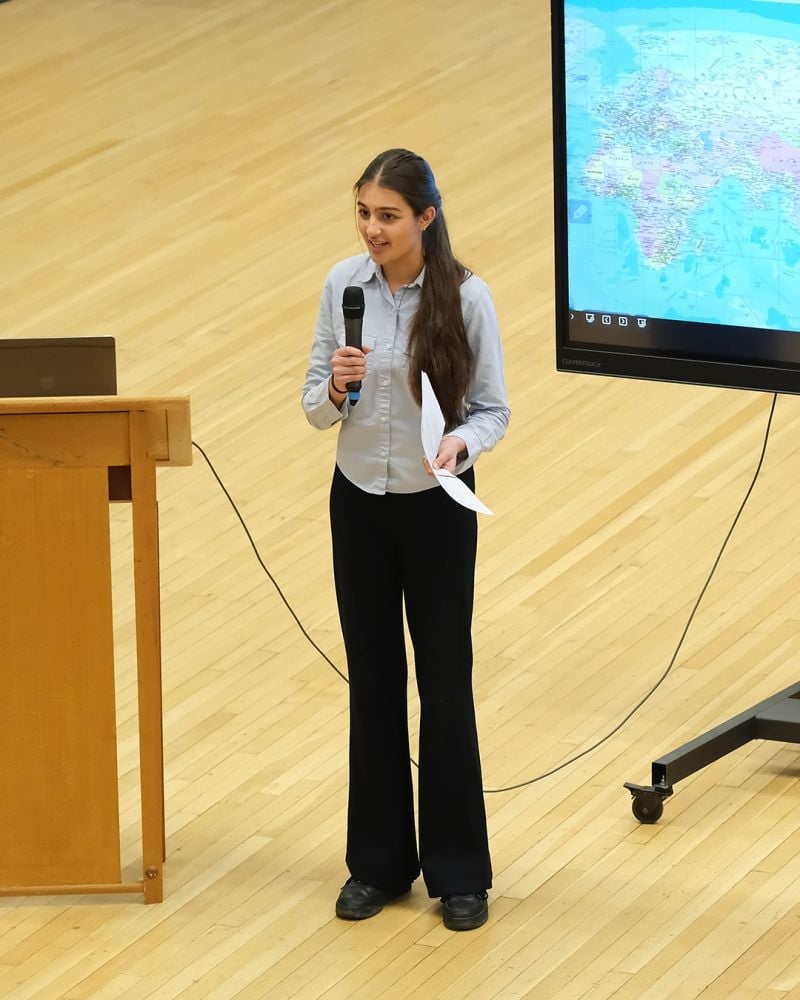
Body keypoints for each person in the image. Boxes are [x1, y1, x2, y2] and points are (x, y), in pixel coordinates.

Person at [301, 148, 510, 931]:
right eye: (363, 212)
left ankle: (460, 871)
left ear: (426, 217)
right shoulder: (341, 286)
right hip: (358, 500)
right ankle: (379, 863)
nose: (372, 229)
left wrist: (463, 444)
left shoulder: (467, 298)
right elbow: (315, 410)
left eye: (388, 215)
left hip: (436, 505)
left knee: (445, 682)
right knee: (374, 679)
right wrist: (334, 386)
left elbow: (493, 409)